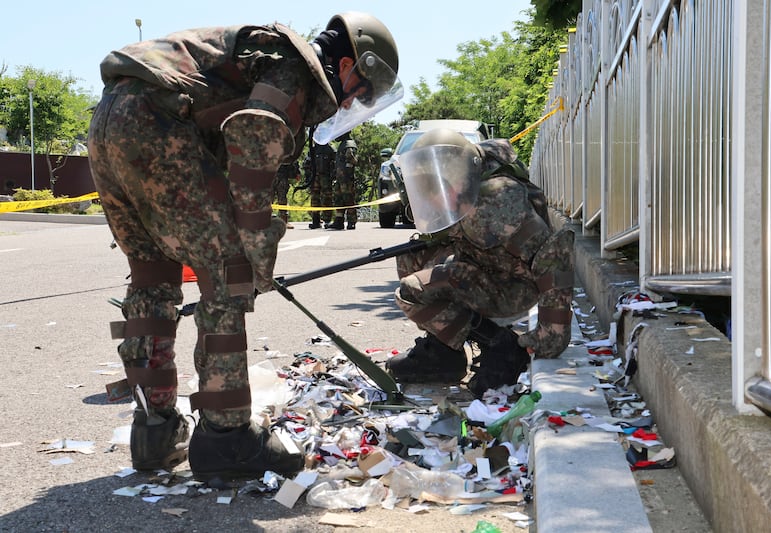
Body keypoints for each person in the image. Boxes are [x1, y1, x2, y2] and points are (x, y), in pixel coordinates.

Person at [87, 12, 401, 480]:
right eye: (361, 91)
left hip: (110, 123)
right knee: (228, 275)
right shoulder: (294, 65)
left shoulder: (258, 55)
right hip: (157, 124)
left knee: (152, 280)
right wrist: (254, 248)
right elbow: (252, 134)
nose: (352, 103)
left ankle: (154, 433)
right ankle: (227, 440)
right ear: (348, 66)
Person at [385, 129, 574, 398]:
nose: (430, 199)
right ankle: (444, 353)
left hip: (515, 285)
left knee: (412, 290)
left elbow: (553, 255)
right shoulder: (465, 195)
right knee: (410, 258)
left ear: (457, 181)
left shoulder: (495, 203)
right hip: (489, 266)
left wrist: (550, 335)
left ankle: (500, 345)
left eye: (434, 190)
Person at [304, 141, 336, 228]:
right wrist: (308, 177)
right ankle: (315, 220)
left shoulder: (330, 149)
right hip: (314, 177)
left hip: (326, 177)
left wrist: (333, 176)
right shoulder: (313, 149)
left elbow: (335, 163)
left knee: (327, 198)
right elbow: (307, 164)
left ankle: (327, 220)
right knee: (314, 199)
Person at [330, 132, 359, 230]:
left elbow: (352, 159)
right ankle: (339, 220)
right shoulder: (343, 144)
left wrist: (346, 173)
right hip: (340, 178)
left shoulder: (348, 144)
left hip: (346, 178)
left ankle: (351, 221)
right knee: (338, 199)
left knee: (348, 198)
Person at [274, 161, 300, 229]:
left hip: (282, 175)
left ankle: (284, 221)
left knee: (282, 199)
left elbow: (293, 158)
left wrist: (297, 172)